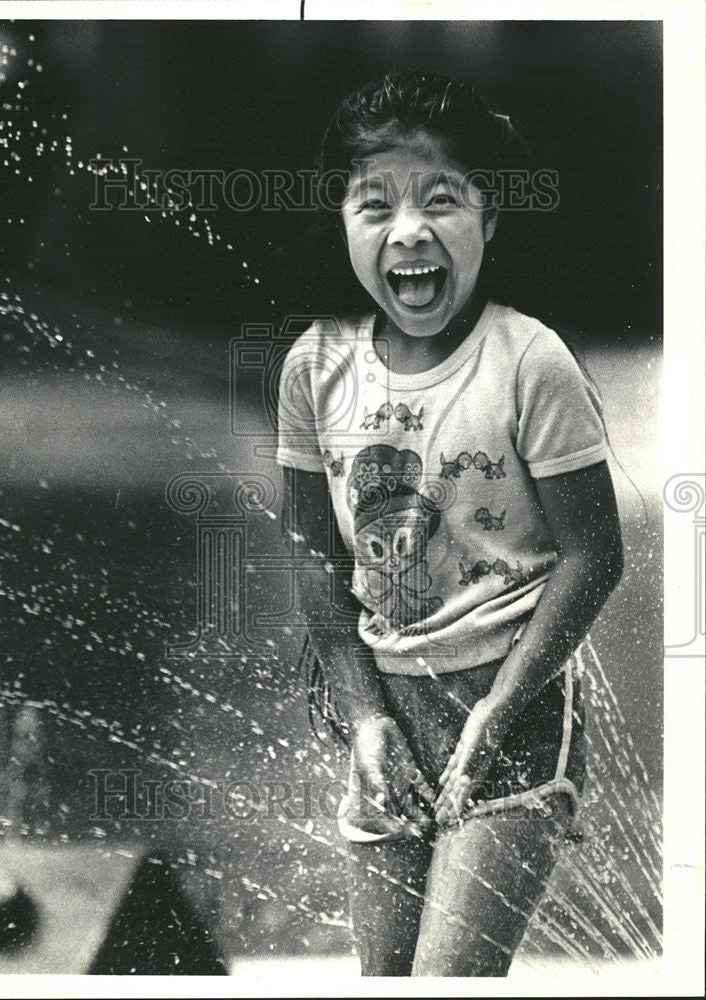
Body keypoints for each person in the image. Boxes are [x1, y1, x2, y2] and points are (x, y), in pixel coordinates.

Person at [275, 69, 623, 976]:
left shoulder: (528, 362)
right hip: (385, 713)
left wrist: (501, 707)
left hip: (511, 708)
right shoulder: (313, 370)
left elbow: (594, 554)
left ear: (489, 219)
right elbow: (314, 560)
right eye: (373, 203)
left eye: (441, 200)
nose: (409, 230)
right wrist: (363, 719)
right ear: (343, 223)